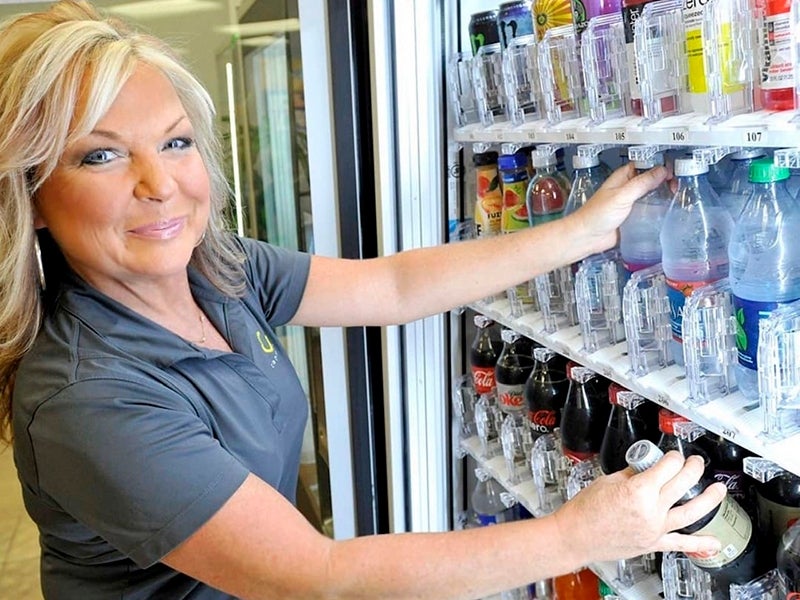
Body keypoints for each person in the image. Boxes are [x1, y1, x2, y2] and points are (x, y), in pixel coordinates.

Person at [0, 2, 725, 599]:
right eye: (100, 155)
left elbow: (393, 285)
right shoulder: (84, 396)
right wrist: (579, 535)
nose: (159, 185)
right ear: (29, 194)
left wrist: (578, 232)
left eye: (176, 143)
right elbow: (317, 576)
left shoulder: (215, 269)